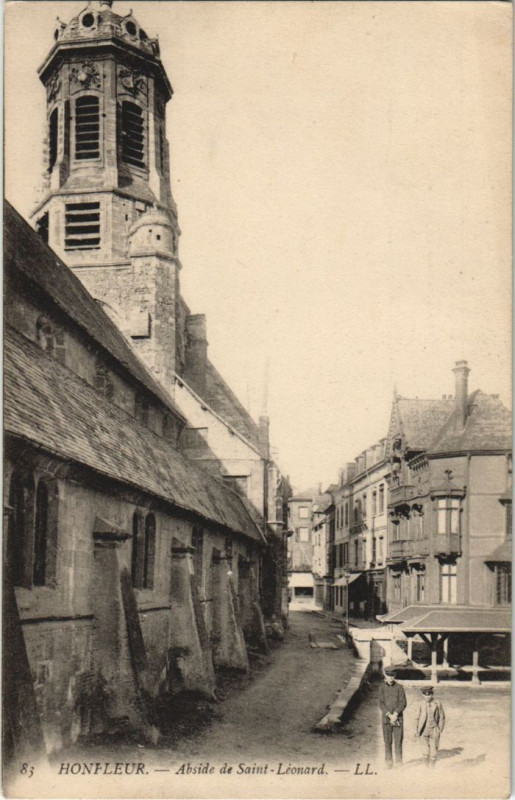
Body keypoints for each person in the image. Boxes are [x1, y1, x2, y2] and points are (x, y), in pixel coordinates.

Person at [378, 666, 407, 768]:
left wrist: (395, 714)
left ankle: (399, 762)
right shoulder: (381, 688)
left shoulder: (399, 688)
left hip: (398, 719)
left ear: (395, 676)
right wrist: (388, 714)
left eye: (392, 676)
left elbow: (403, 702)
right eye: (388, 676)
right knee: (387, 741)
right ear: (385, 675)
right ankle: (388, 762)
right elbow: (381, 703)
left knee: (398, 741)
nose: (390, 678)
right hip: (386, 719)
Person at [413, 686, 445, 768]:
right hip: (423, 730)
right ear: (423, 695)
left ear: (432, 694)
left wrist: (440, 729)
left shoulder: (437, 703)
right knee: (425, 750)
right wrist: (416, 730)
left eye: (429, 694)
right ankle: (425, 767)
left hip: (434, 729)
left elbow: (442, 717)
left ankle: (432, 767)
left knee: (434, 750)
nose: (428, 697)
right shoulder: (420, 704)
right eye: (425, 695)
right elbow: (416, 718)